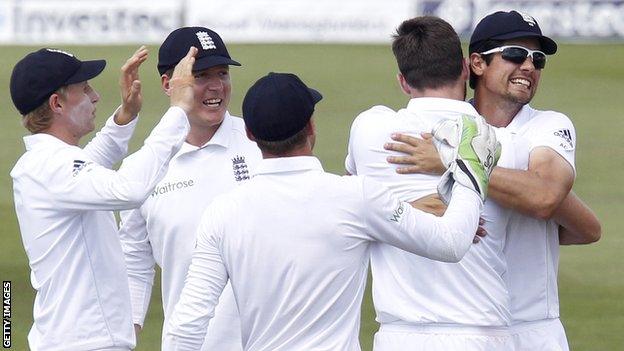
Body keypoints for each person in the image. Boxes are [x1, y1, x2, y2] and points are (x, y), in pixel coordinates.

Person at [162, 72, 499, 350]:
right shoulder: (356, 198)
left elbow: (188, 323)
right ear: (311, 127)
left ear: (250, 134)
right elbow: (451, 243)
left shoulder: (223, 212)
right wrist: (469, 170)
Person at [385, 10, 601, 351]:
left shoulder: (546, 126)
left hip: (532, 327)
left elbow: (545, 197)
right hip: (461, 326)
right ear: (476, 63)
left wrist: (452, 161)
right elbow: (580, 224)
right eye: (515, 54)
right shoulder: (435, 125)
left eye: (538, 59)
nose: (529, 66)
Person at [344, 16, 528, 350]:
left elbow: (351, 194)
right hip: (483, 329)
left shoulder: (369, 128)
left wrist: (403, 209)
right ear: (464, 69)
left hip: (401, 333)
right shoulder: (505, 143)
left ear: (403, 81)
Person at [9, 45, 197, 351]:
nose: (95, 96)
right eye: (84, 89)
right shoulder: (51, 167)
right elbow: (130, 188)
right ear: (57, 103)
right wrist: (178, 110)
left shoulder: (47, 164)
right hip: (85, 343)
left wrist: (126, 114)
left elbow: (91, 164)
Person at [118, 27, 261, 350]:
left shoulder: (262, 143)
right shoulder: (143, 168)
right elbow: (134, 262)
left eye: (222, 73)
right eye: (200, 75)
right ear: (169, 84)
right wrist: (123, 337)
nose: (216, 86)